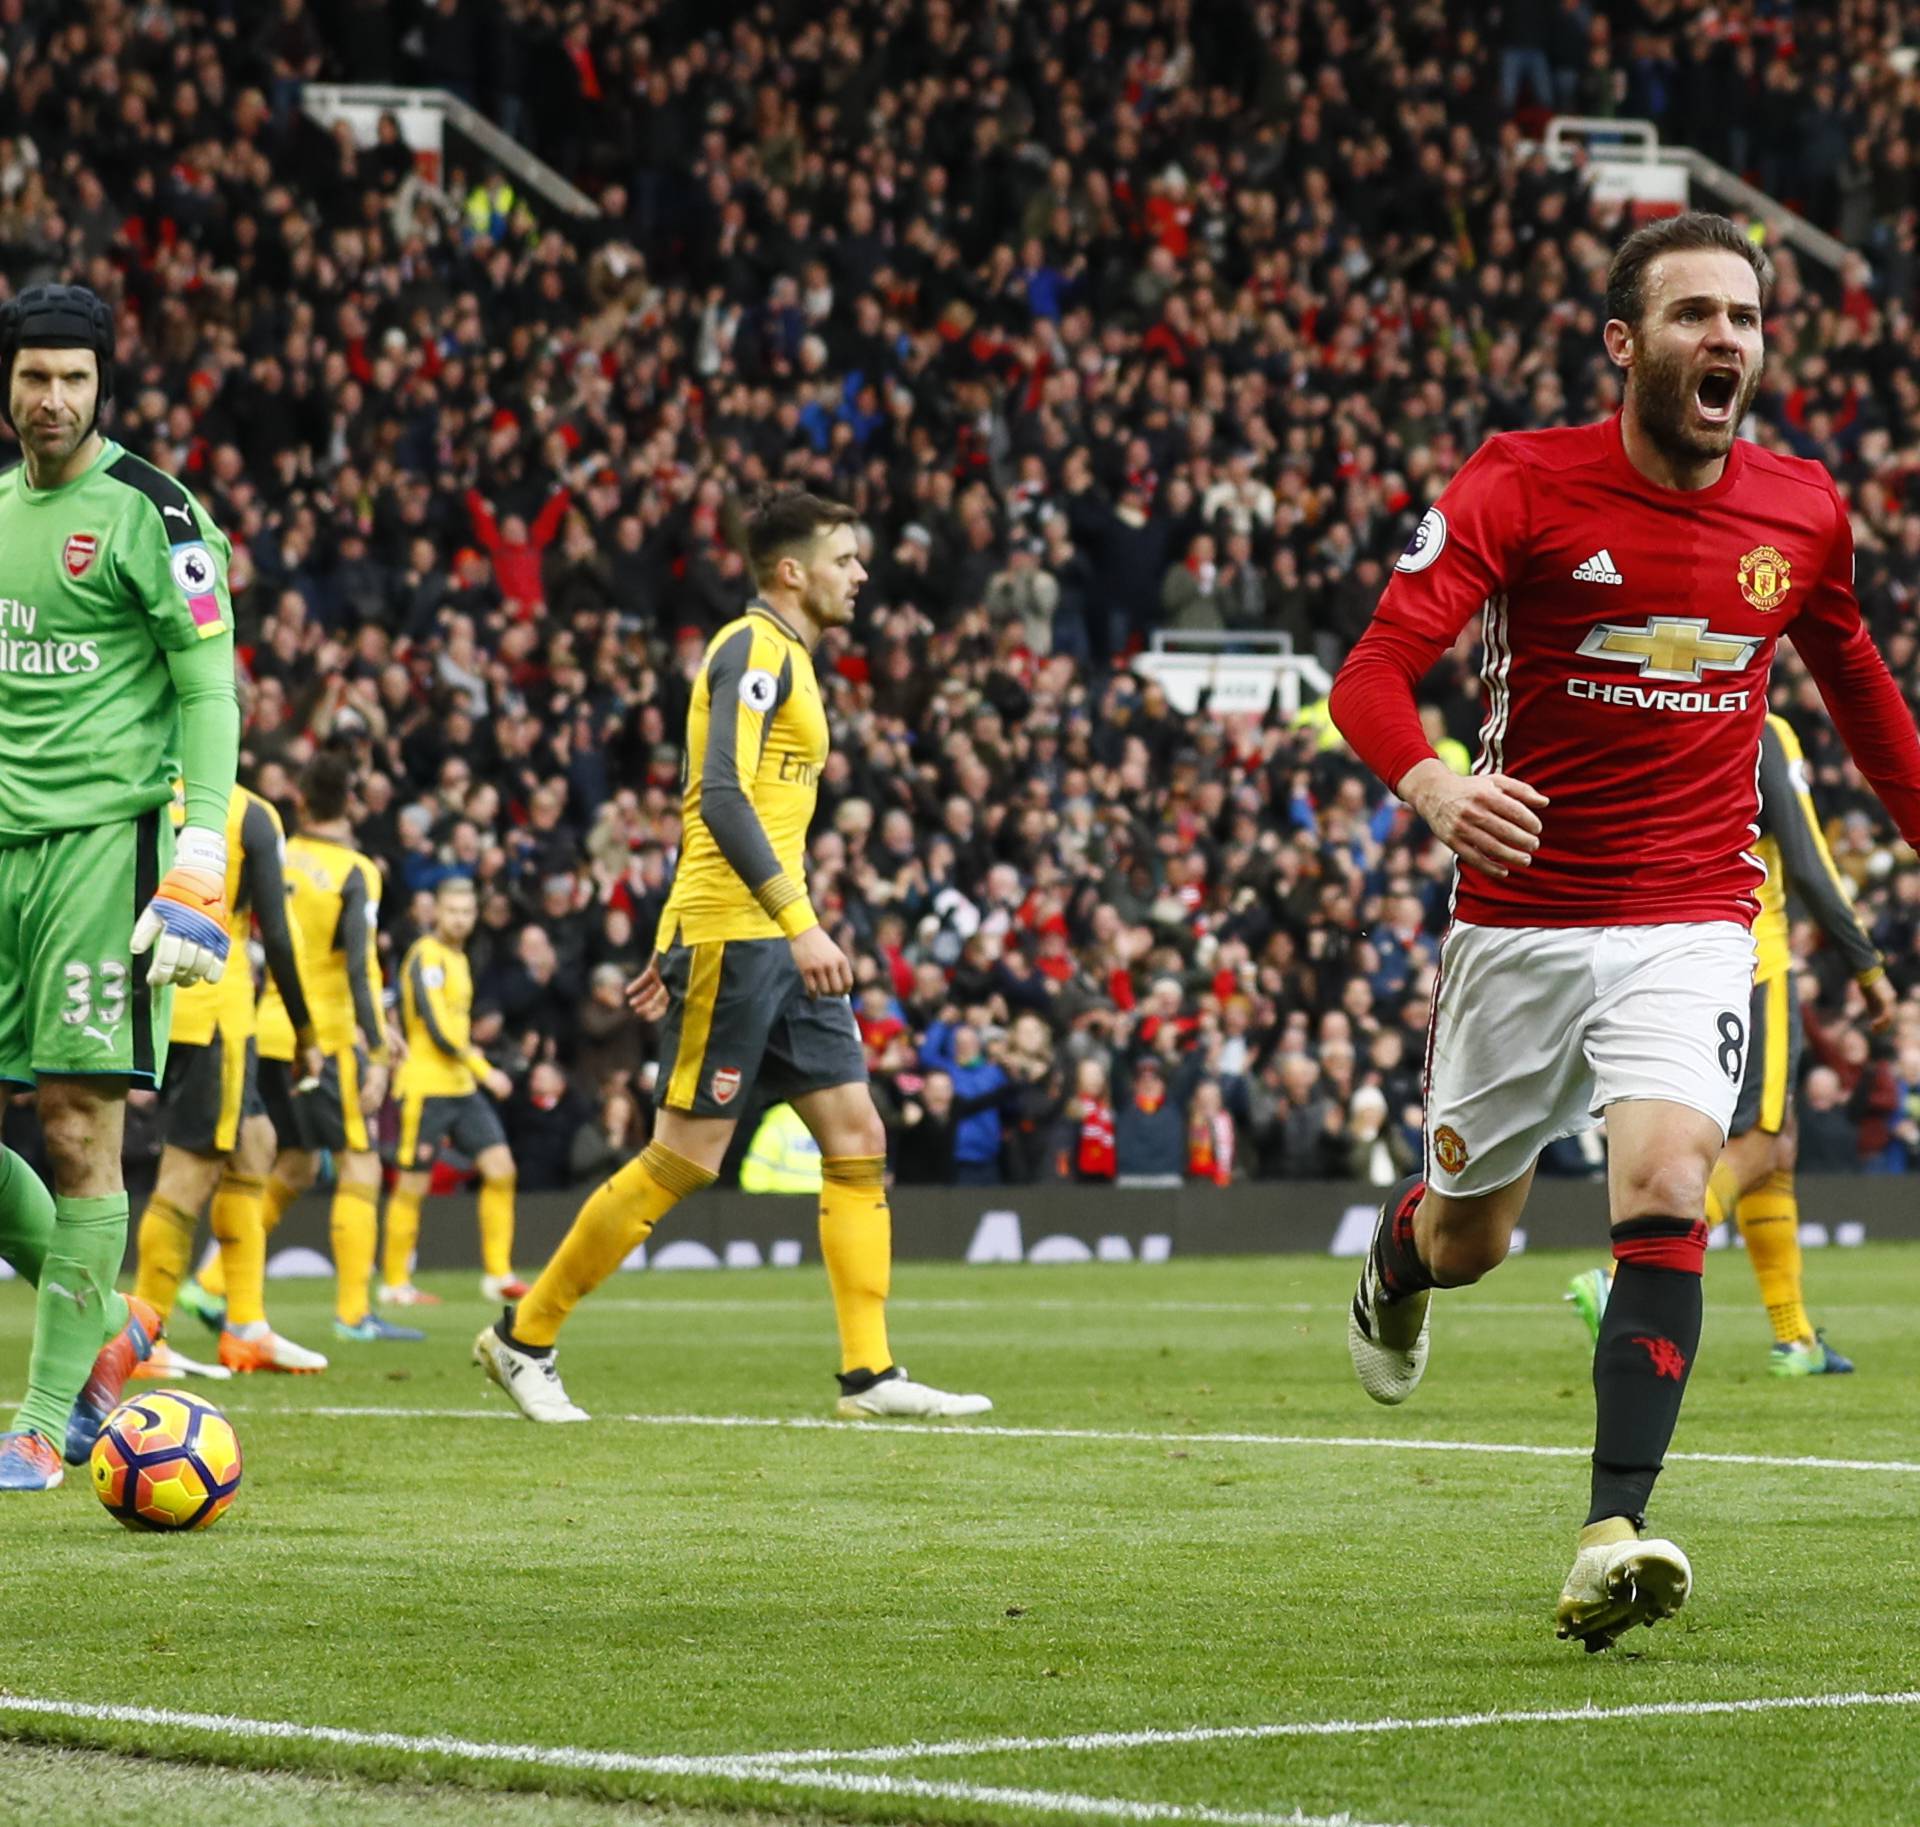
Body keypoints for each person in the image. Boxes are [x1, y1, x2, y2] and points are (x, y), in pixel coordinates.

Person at [1328, 214, 1920, 1651]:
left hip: (1694, 910)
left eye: (1748, 317)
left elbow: (1863, 700)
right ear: (1625, 342)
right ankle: (1395, 1267)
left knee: (1669, 1176)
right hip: (1520, 921)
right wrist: (1433, 783)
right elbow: (1374, 673)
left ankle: (1611, 1528)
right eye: (1696, 314)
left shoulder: (1802, 513)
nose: (1729, 338)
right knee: (1473, 1237)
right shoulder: (1521, 480)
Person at [474, 491, 990, 1422]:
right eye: (845, 558)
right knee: (683, 1159)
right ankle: (524, 1336)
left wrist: (685, 930)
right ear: (791, 570)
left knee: (857, 1138)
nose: (861, 574)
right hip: (750, 936)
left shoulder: (788, 657)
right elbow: (718, 796)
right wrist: (781, 925)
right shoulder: (751, 650)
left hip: (765, 936)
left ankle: (869, 1375)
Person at [0, 285, 241, 1488]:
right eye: (35, 377)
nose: (54, 400)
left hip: (105, 847)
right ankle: (116, 1334)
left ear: (104, 386)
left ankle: (44, 1424)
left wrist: (202, 850)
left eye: (75, 380)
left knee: (76, 1126)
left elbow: (208, 687)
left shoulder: (157, 511)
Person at [1566, 713, 1892, 1376]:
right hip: (1752, 958)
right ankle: (1619, 1277)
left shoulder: (1667, 722)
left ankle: (1794, 1337)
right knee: (1763, 1137)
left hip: (1670, 953)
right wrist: (1866, 962)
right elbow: (1805, 856)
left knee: (1778, 1147)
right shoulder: (1759, 727)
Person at [130, 782, 330, 1377]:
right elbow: (280, 934)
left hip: (158, 1001)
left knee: (256, 1144)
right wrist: (306, 1033)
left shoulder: (141, 794)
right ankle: (144, 1338)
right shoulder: (247, 813)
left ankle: (245, 1327)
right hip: (217, 1008)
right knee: (190, 1174)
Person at [250, 750, 422, 1344]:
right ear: (349, 803)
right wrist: (377, 1045)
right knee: (360, 1164)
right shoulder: (355, 870)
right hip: (322, 1039)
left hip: (264, 1025)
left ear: (299, 800)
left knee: (291, 1162)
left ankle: (214, 1286)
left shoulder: (273, 852)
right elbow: (359, 968)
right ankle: (354, 1313)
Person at [381, 875, 526, 1306]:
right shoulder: (426, 956)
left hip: (460, 1086)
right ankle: (394, 1284)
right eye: (452, 911)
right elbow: (438, 1030)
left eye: (467, 912)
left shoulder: (459, 959)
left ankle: (498, 1275)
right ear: (435, 913)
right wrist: (485, 1070)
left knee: (501, 1169)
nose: (460, 919)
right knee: (412, 1186)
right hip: (426, 1086)